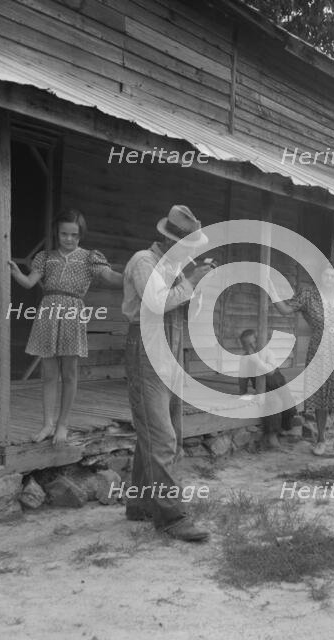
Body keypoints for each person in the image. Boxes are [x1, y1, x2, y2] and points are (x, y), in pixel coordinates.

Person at [122, 204, 213, 542]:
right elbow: (157, 303)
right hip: (147, 345)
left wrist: (198, 286)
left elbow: (184, 306)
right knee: (162, 436)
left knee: (161, 425)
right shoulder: (144, 262)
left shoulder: (174, 267)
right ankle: (172, 518)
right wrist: (190, 281)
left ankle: (140, 504)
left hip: (171, 343)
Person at [9, 208, 123, 444]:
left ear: (80, 234)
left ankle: (63, 424)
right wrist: (16, 273)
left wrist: (135, 275)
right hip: (48, 313)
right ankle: (47, 424)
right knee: (49, 374)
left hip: (72, 314)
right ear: (56, 233)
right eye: (64, 234)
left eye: (74, 235)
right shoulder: (46, 257)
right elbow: (30, 283)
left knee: (69, 373)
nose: (69, 239)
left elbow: (110, 277)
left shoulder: (90, 257)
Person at [269, 260, 334, 457]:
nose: (330, 279)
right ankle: (321, 440)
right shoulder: (308, 295)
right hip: (319, 350)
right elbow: (285, 309)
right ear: (319, 277)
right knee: (320, 397)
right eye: (326, 275)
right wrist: (272, 291)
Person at [238, 329, 302, 448]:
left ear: (260, 341)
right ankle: (271, 435)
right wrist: (243, 391)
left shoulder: (268, 353)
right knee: (275, 403)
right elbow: (242, 376)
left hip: (278, 383)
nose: (252, 347)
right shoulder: (245, 359)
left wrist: (256, 359)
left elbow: (270, 372)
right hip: (264, 388)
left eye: (254, 343)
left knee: (288, 404)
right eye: (248, 345)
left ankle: (285, 428)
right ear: (243, 347)